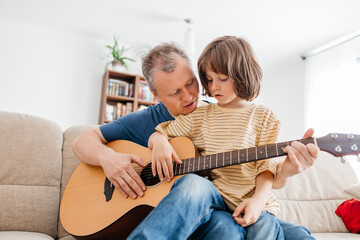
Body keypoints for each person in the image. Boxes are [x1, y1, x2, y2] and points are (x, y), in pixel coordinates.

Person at [72, 41, 319, 239]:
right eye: (175, 92)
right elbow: (82, 141)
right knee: (201, 194)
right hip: (190, 210)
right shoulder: (144, 120)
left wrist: (284, 173)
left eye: (191, 83)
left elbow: (265, 169)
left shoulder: (222, 110)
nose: (190, 95)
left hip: (230, 206)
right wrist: (113, 157)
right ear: (156, 96)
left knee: (297, 235)